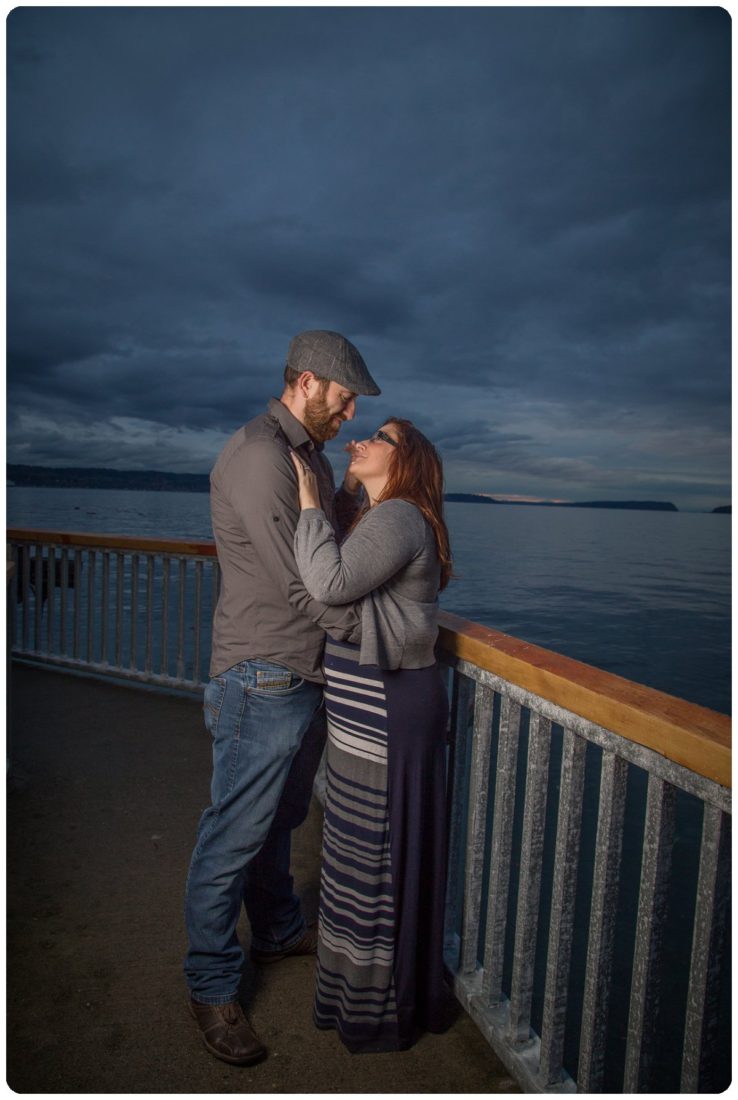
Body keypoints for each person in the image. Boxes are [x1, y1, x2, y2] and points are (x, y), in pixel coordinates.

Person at [184, 330, 380, 1066]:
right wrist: (375, 631)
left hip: (302, 672)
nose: (351, 411)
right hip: (261, 675)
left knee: (278, 821)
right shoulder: (262, 456)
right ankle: (209, 983)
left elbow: (324, 550)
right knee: (233, 832)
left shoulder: (309, 457)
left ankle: (273, 930)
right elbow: (304, 585)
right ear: (305, 381)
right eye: (344, 395)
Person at [290, 416, 453, 1053]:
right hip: (374, 704)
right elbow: (345, 595)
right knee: (363, 848)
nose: (359, 440)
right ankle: (356, 993)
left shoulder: (399, 516)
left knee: (376, 852)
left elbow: (328, 584)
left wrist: (307, 503)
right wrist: (331, 507)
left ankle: (378, 1007)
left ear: (405, 460)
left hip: (389, 704)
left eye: (378, 437)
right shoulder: (380, 517)